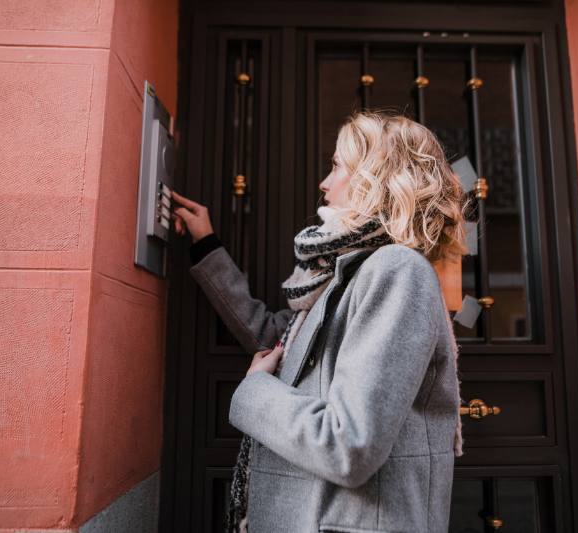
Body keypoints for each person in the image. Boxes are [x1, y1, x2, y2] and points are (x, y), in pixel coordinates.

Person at [171, 109, 470, 533]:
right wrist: (207, 247)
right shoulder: (344, 274)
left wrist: (254, 391)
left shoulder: (395, 270)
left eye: (336, 166)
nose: (324, 183)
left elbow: (350, 445)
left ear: (376, 178)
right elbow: (278, 340)